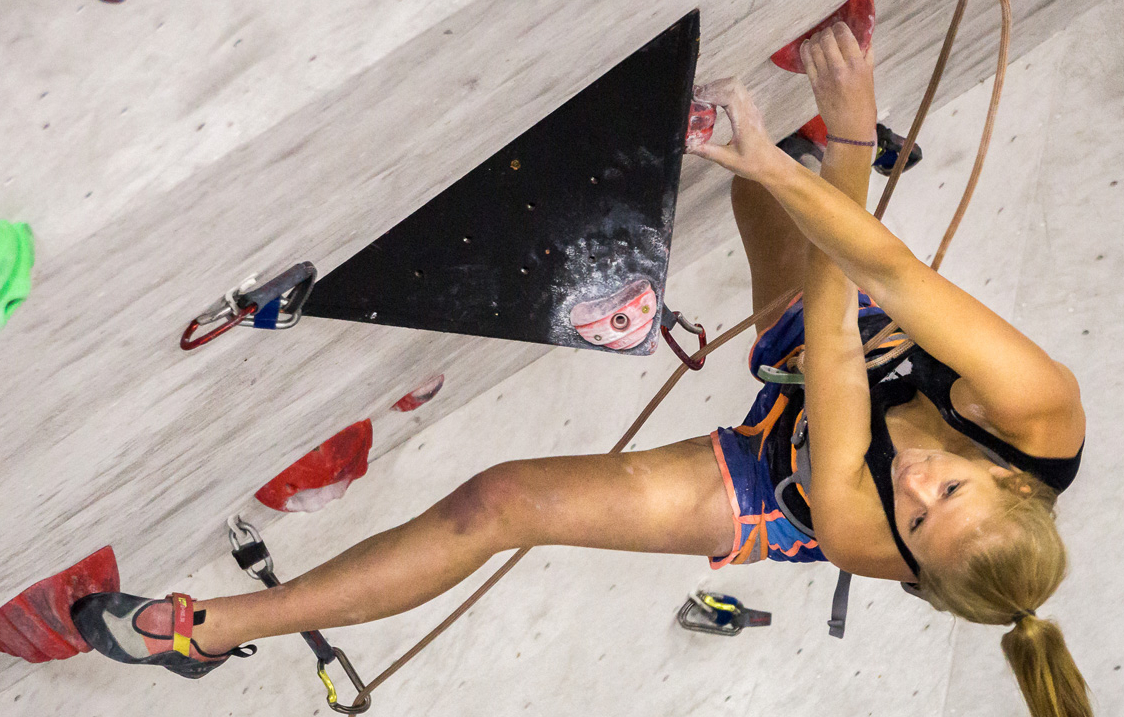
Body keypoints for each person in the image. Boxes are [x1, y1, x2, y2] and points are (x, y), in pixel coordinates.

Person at [72, 23, 1091, 717]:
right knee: (773, 201)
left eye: (916, 516)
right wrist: (814, 155)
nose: (915, 487)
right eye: (946, 485)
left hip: (792, 474)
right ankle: (795, 161)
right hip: (861, 355)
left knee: (504, 502)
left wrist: (839, 152)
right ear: (1008, 473)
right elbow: (884, 272)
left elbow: (828, 339)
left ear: (904, 554)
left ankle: (204, 634)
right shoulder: (1037, 411)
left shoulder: (870, 536)